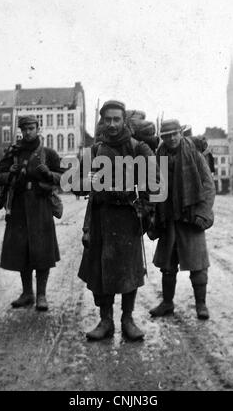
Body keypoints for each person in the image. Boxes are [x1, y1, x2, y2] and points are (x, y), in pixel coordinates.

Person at [78, 100, 157, 341]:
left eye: (117, 119)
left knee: (129, 272)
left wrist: (143, 211)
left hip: (127, 218)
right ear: (102, 121)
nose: (112, 124)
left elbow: (154, 183)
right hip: (100, 216)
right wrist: (86, 180)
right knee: (100, 272)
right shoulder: (94, 150)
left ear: (124, 121)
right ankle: (105, 321)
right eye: (108, 120)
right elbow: (76, 185)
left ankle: (127, 319)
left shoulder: (138, 148)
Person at [0, 115, 62, 311]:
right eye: (24, 129)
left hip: (41, 205)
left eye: (31, 128)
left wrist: (49, 174)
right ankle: (27, 293)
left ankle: (41, 295)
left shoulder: (48, 153)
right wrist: (11, 175)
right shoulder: (14, 152)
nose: (28, 132)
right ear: (20, 131)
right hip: (19, 206)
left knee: (42, 251)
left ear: (38, 128)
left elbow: (64, 177)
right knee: (21, 250)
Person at [149, 119, 215, 320]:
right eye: (166, 136)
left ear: (180, 133)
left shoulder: (193, 154)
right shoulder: (158, 156)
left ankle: (201, 305)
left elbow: (208, 185)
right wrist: (153, 214)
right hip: (169, 219)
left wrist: (202, 213)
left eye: (174, 134)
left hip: (191, 218)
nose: (171, 139)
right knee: (167, 266)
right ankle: (167, 303)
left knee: (198, 265)